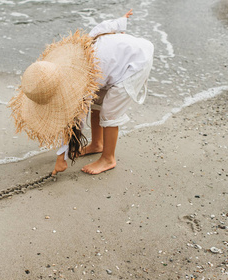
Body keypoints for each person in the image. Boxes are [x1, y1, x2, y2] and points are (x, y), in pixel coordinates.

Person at [8, 9, 154, 175]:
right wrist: (121, 20)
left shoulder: (82, 82)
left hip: (135, 63)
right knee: (96, 105)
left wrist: (61, 158)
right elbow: (102, 28)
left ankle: (108, 158)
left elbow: (74, 121)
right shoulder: (75, 56)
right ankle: (97, 144)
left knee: (110, 113)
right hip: (115, 59)